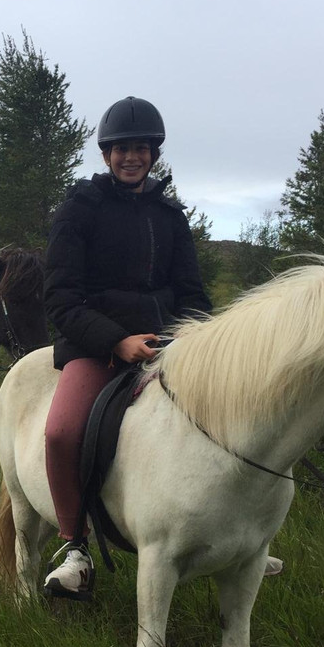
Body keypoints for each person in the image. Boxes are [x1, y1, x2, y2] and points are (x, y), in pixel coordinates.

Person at [41, 96, 217, 600]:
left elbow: (193, 293)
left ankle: (229, 538)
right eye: (122, 149)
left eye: (141, 149)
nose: (131, 157)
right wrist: (116, 340)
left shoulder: (169, 215)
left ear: (153, 155)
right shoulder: (78, 210)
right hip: (94, 344)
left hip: (167, 343)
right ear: (105, 155)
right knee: (60, 432)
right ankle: (75, 546)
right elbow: (60, 296)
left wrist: (190, 334)